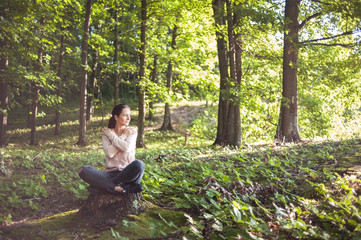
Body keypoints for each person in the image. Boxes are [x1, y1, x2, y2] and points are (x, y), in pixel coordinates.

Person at [78, 104, 145, 194]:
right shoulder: (107, 133)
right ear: (116, 117)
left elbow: (126, 148)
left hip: (127, 173)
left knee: (139, 165)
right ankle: (121, 188)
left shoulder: (131, 131)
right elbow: (110, 153)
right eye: (125, 115)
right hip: (110, 174)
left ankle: (103, 187)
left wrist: (115, 136)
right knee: (83, 170)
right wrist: (123, 136)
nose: (129, 118)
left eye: (129, 115)